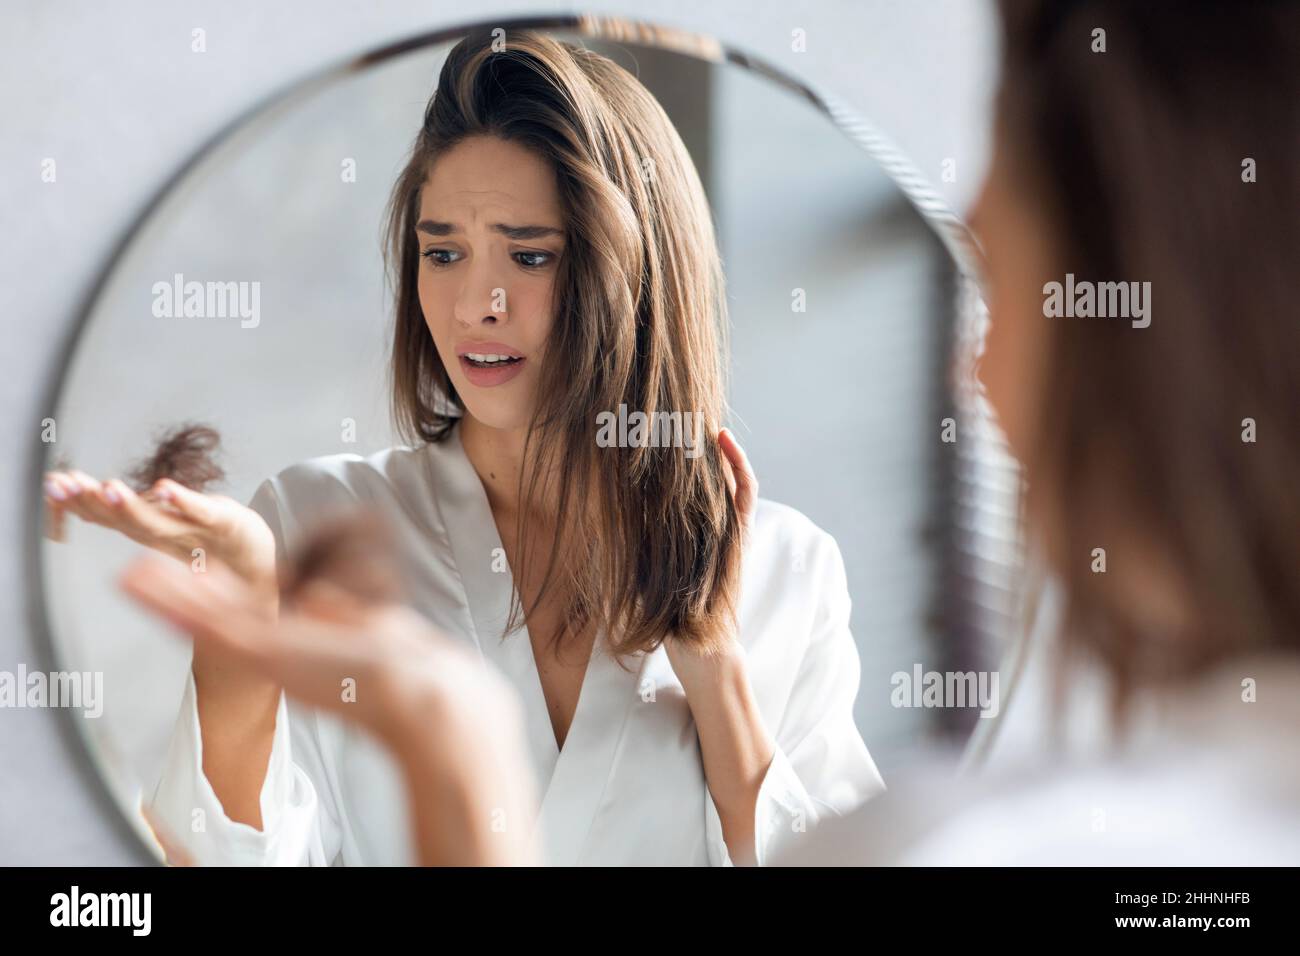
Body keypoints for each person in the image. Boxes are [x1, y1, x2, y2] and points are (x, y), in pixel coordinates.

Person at [44, 28, 883, 866]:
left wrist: (714, 666)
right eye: (442, 251)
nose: (476, 303)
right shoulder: (317, 523)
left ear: (633, 276)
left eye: (528, 255)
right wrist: (242, 622)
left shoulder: (789, 570)